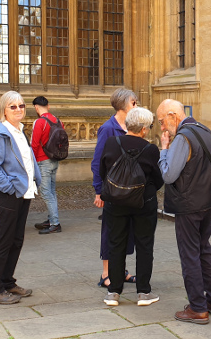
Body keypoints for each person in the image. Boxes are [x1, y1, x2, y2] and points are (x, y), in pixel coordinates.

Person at [157, 99, 211, 324]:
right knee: (204, 250)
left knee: (190, 254)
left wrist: (163, 150)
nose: (162, 127)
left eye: (162, 121)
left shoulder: (182, 137)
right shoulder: (205, 130)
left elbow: (168, 175)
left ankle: (198, 308)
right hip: (210, 203)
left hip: (189, 206)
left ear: (173, 116)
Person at [100, 107, 164, 307]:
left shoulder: (111, 143)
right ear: (144, 129)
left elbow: (103, 171)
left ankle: (113, 292)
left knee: (116, 244)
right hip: (143, 204)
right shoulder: (151, 149)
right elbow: (158, 178)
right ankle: (143, 292)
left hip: (115, 202)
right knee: (144, 245)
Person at [0, 91, 40, 304]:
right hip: (8, 195)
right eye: (13, 106)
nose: (18, 110)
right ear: (4, 109)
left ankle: (7, 282)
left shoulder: (19, 131)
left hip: (23, 193)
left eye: (21, 106)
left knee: (16, 241)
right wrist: (10, 187)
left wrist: (34, 181)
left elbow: (27, 161)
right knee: (2, 242)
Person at [92, 88, 137, 288]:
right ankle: (106, 273)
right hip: (112, 188)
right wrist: (99, 190)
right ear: (123, 105)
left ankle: (120, 270)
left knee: (125, 231)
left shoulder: (131, 127)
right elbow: (97, 161)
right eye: (134, 103)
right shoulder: (108, 128)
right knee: (110, 231)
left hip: (129, 190)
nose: (136, 106)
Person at [31, 96, 63, 234]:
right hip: (54, 159)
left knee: (45, 192)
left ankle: (55, 223)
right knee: (51, 191)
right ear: (48, 106)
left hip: (43, 161)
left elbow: (34, 144)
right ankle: (51, 218)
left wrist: (31, 162)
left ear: (36, 108)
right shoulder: (57, 121)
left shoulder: (39, 122)